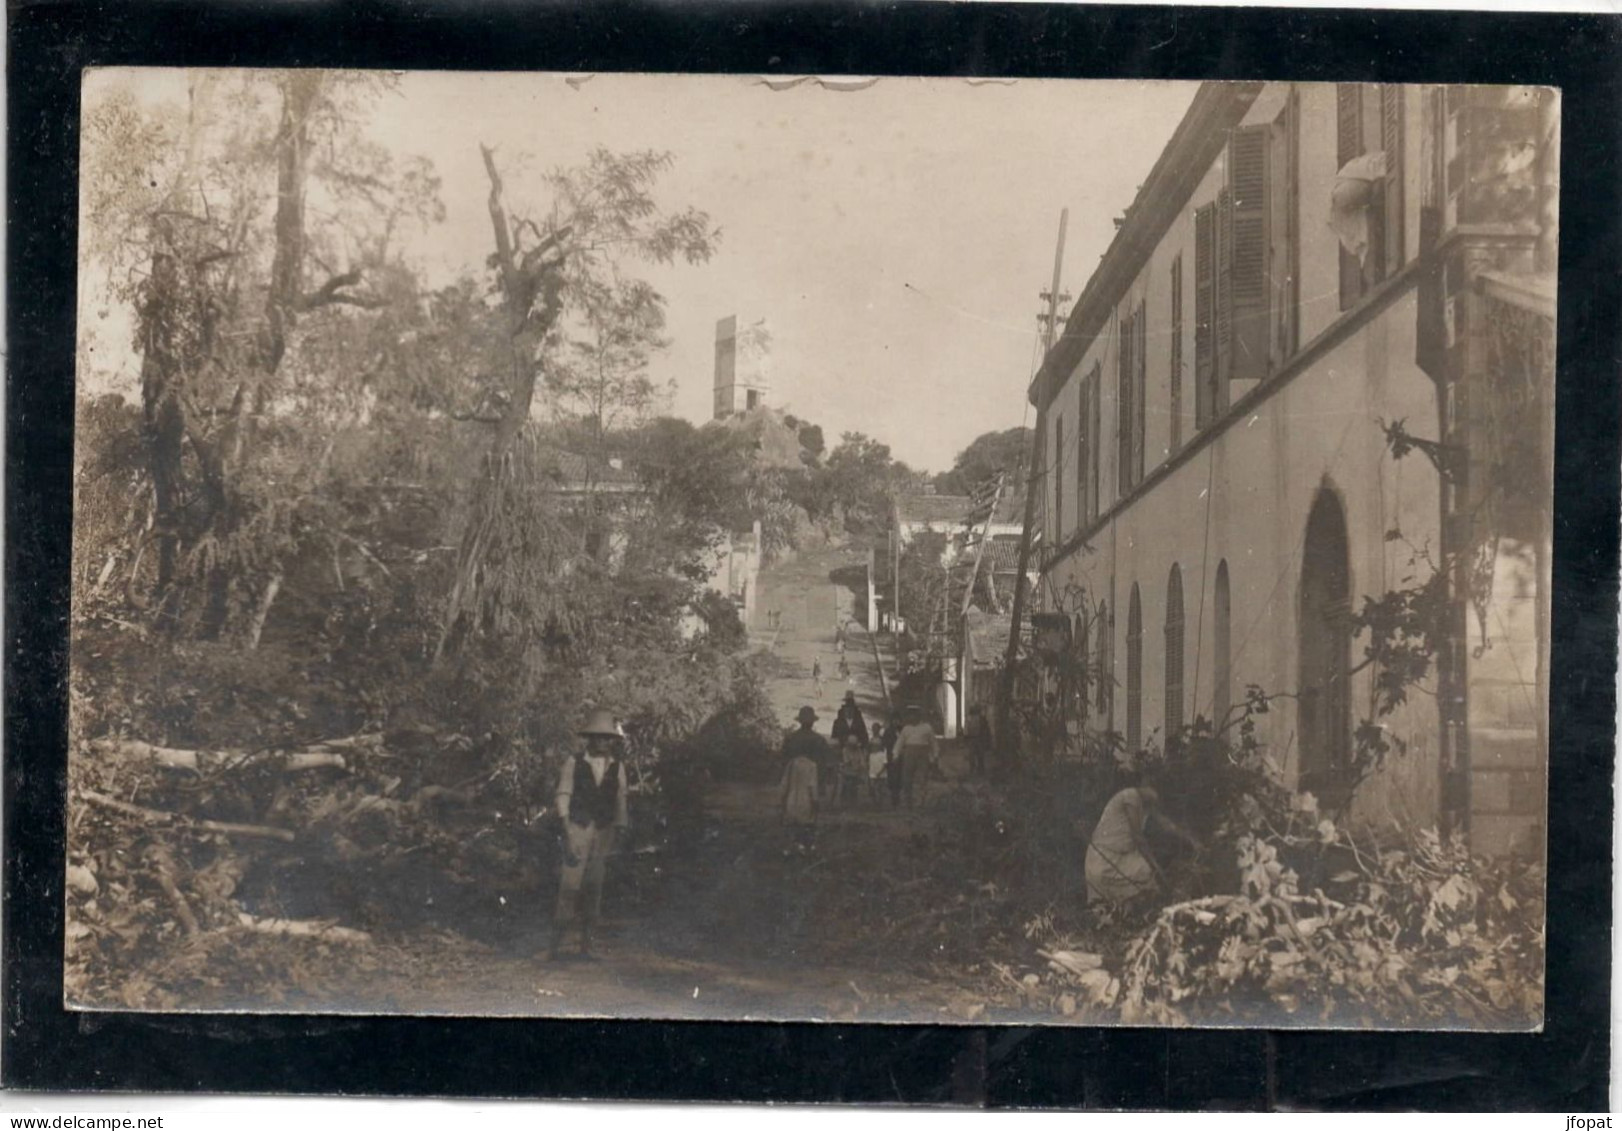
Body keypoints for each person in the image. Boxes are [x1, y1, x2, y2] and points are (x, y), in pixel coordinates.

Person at [551, 709, 630, 960]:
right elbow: (563, 796)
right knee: (570, 886)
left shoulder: (617, 768)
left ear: (612, 741)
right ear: (589, 739)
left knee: (595, 888)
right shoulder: (574, 762)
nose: (602, 742)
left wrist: (617, 836)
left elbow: (620, 804)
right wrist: (568, 834)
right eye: (597, 737)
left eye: (607, 738)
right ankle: (556, 947)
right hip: (578, 828)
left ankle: (587, 946)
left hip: (603, 832)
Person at [1084, 782, 1203, 909]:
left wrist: (1192, 841)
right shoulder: (1130, 796)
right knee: (1144, 873)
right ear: (1146, 786)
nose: (1156, 798)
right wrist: (1156, 867)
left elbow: (1167, 825)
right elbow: (1138, 837)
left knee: (1144, 876)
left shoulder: (1146, 805)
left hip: (1122, 858)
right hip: (1104, 859)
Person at [780, 706, 823, 852]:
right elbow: (824, 764)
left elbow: (782, 761)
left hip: (793, 778)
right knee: (810, 812)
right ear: (812, 722)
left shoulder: (791, 739)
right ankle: (806, 845)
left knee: (792, 812)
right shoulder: (818, 740)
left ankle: (793, 845)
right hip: (811, 777)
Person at [895, 704, 939, 809]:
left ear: (919, 716)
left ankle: (920, 802)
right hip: (909, 754)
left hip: (922, 755)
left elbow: (933, 743)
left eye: (915, 715)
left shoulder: (927, 728)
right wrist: (895, 754)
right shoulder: (906, 729)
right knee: (907, 779)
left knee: (922, 778)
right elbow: (899, 743)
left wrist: (935, 755)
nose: (912, 717)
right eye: (910, 715)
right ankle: (908, 801)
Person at [963, 704, 992, 776]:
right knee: (978, 755)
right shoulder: (980, 718)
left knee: (974, 755)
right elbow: (986, 729)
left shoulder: (970, 719)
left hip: (975, 738)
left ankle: (975, 770)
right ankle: (979, 770)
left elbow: (966, 730)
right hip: (978, 738)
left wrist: (966, 738)